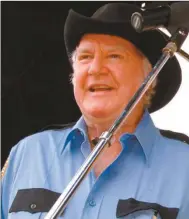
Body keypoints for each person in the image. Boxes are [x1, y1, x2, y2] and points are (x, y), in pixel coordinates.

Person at [1, 3, 189, 219]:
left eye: (114, 56)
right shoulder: (26, 154)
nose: (96, 68)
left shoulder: (184, 168)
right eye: (85, 57)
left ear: (150, 77)